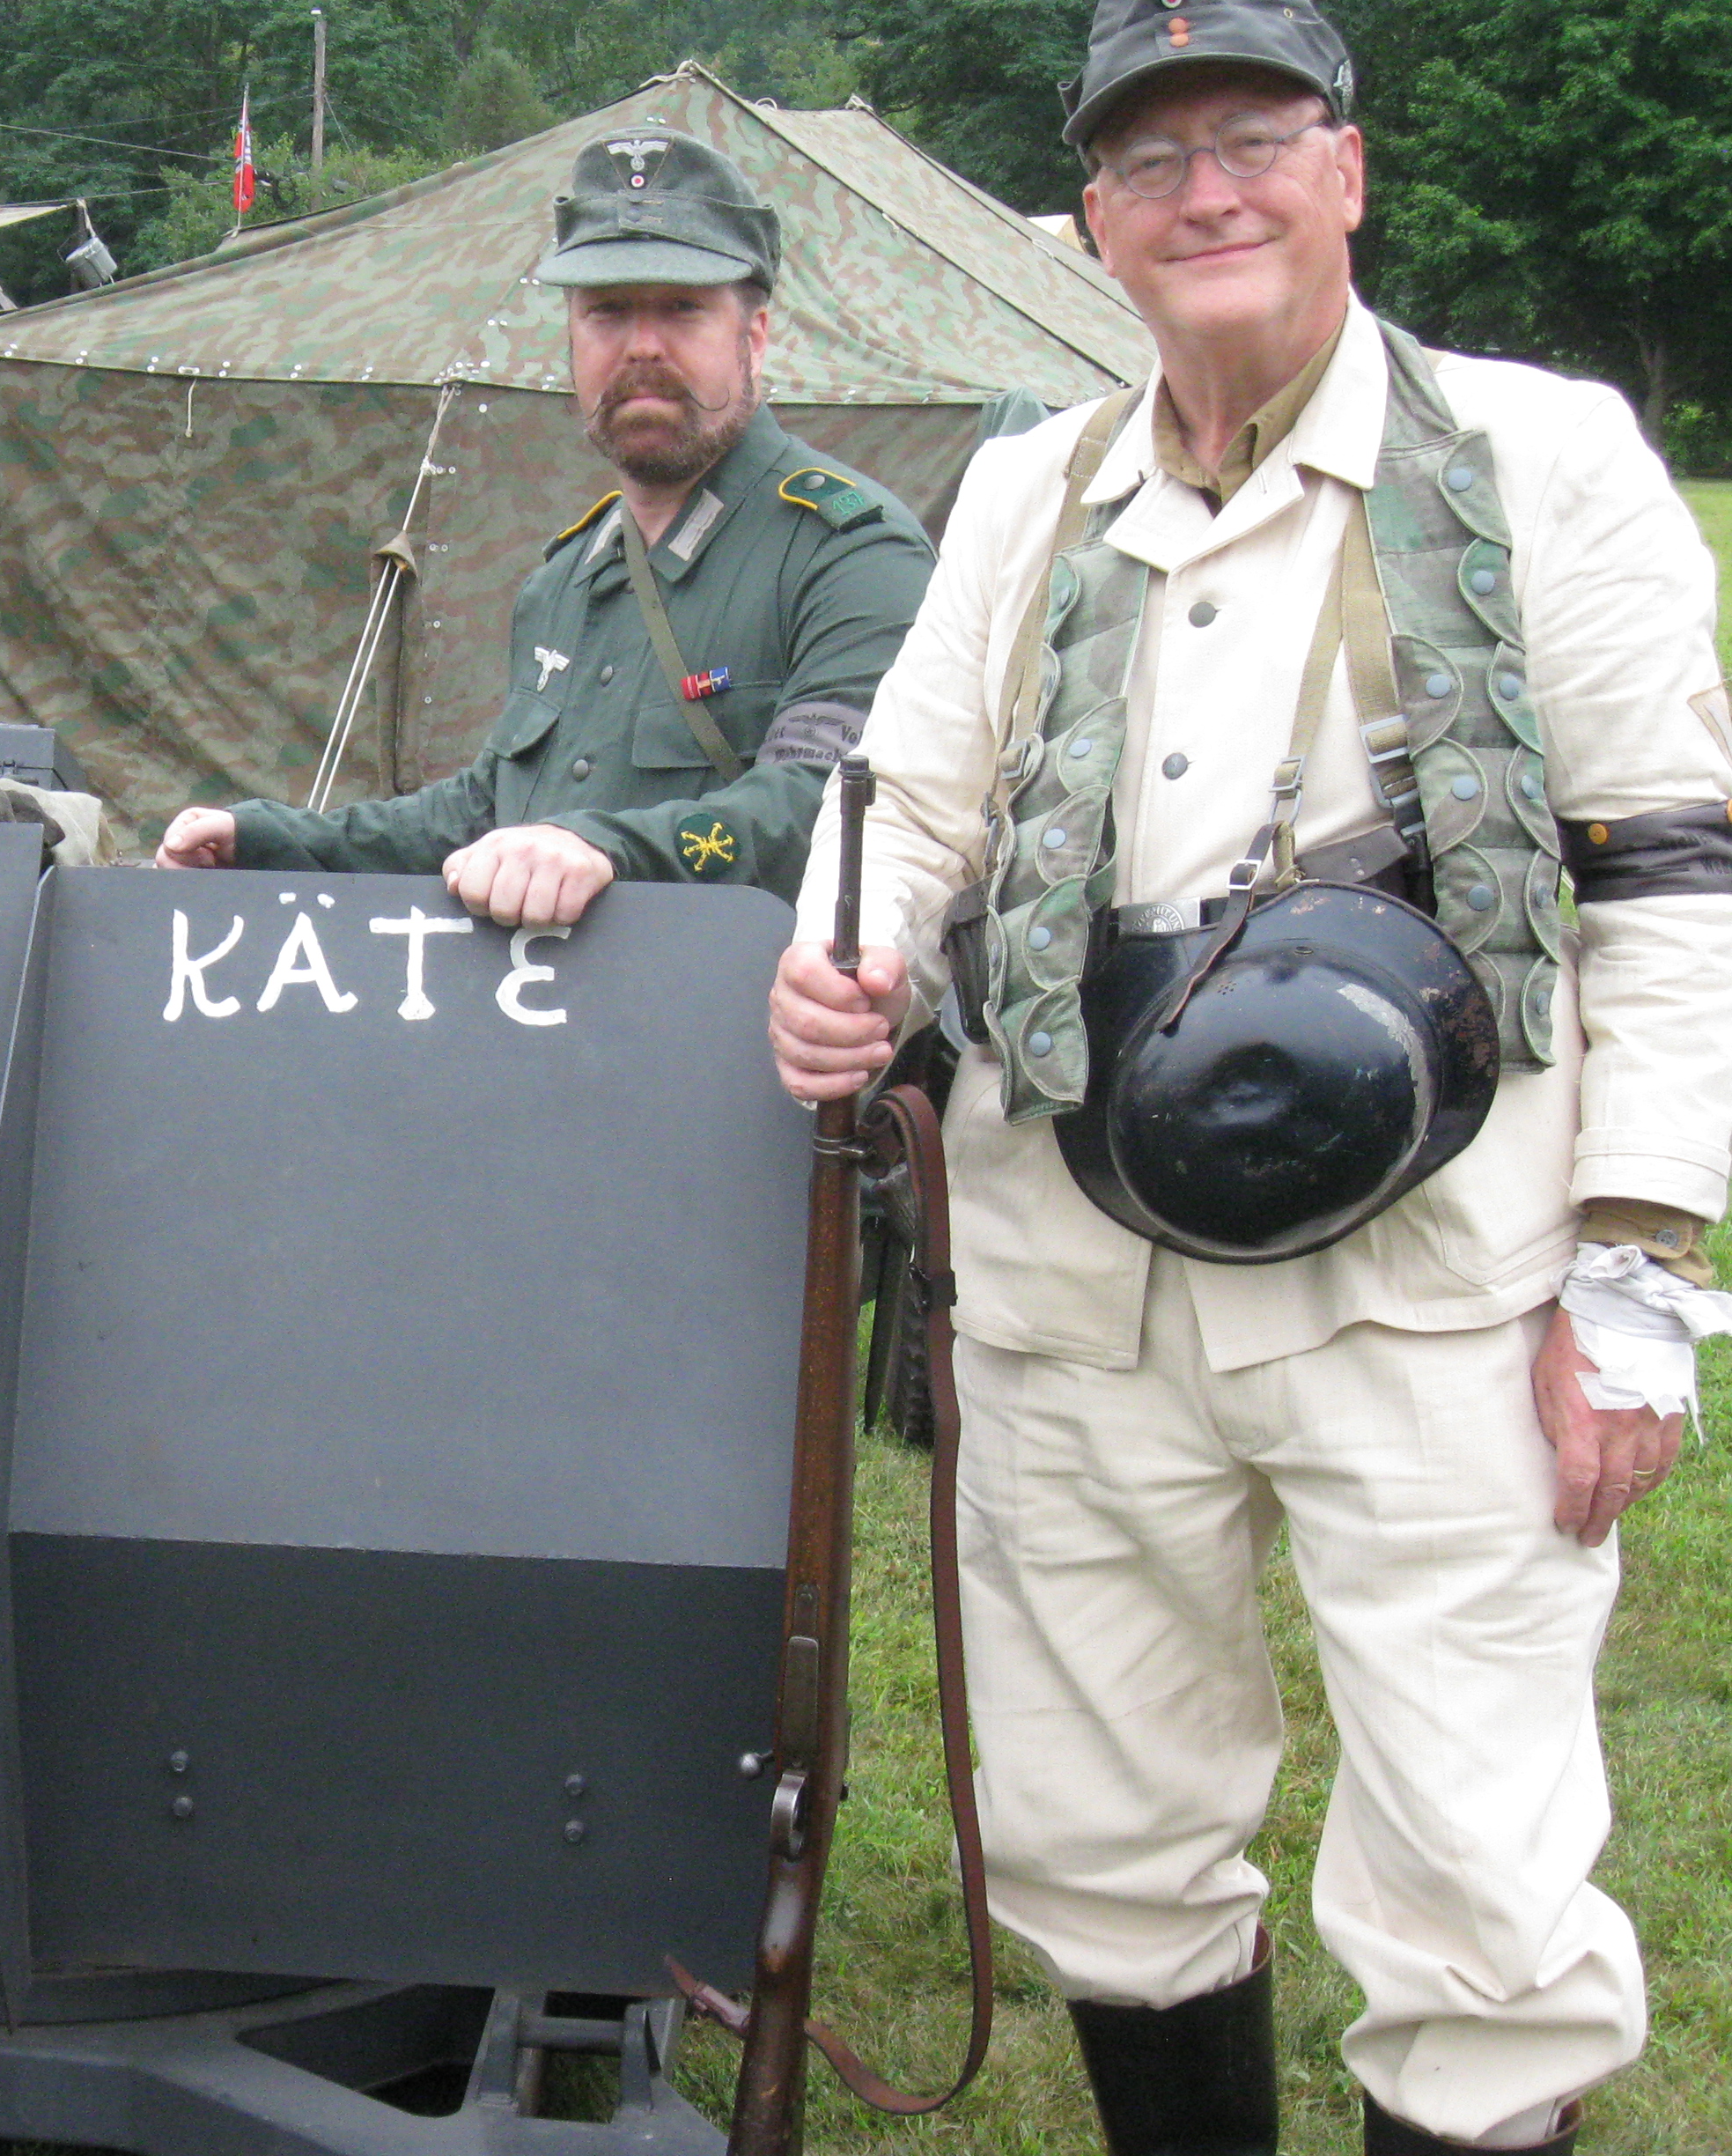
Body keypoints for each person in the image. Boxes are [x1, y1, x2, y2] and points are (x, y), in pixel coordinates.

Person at [770, 6, 1732, 2152]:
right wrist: (836, 949)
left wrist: (1634, 1268)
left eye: (1254, 138)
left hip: (1437, 1281)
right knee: (1098, 1828)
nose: (1207, 190)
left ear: (1350, 172)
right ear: (1093, 221)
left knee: (1481, 1879)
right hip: (1063, 1283)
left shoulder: (1536, 460)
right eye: (1150, 158)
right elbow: (910, 799)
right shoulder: (1030, 488)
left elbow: (1670, 861)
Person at [153, 128, 934, 922]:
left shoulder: (850, 552)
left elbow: (834, 808)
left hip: (745, 1031)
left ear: (754, 339)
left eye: (682, 310)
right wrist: (269, 841)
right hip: (542, 1032)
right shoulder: (567, 578)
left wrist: (606, 849)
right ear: (570, 339)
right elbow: (484, 810)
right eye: (607, 313)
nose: (642, 348)